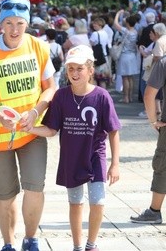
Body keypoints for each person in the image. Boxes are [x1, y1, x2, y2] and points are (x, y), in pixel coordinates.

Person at [0, 0, 57, 251]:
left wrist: (36, 110)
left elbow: (50, 87)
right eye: (9, 23)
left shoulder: (39, 47)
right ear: (0, 24)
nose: (14, 29)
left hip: (31, 130)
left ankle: (31, 239)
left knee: (35, 187)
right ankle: (8, 243)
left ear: (27, 23)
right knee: (6, 194)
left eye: (20, 23)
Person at [29, 45, 120, 251]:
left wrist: (115, 164)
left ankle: (91, 244)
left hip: (95, 156)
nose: (75, 73)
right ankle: (77, 246)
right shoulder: (60, 96)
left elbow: (113, 131)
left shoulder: (101, 96)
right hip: (71, 158)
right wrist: (29, 128)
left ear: (90, 70)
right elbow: (51, 129)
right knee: (75, 202)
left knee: (98, 201)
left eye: (79, 68)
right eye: (71, 69)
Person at [130, 52, 166, 225]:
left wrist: (153, 120)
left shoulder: (164, 62)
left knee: (163, 166)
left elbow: (149, 94)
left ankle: (154, 211)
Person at [112, 10, 140, 103]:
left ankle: (126, 97)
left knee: (125, 78)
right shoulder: (135, 32)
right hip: (132, 56)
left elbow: (115, 24)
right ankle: (130, 97)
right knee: (131, 78)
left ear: (127, 23)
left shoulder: (126, 31)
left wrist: (118, 13)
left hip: (124, 56)